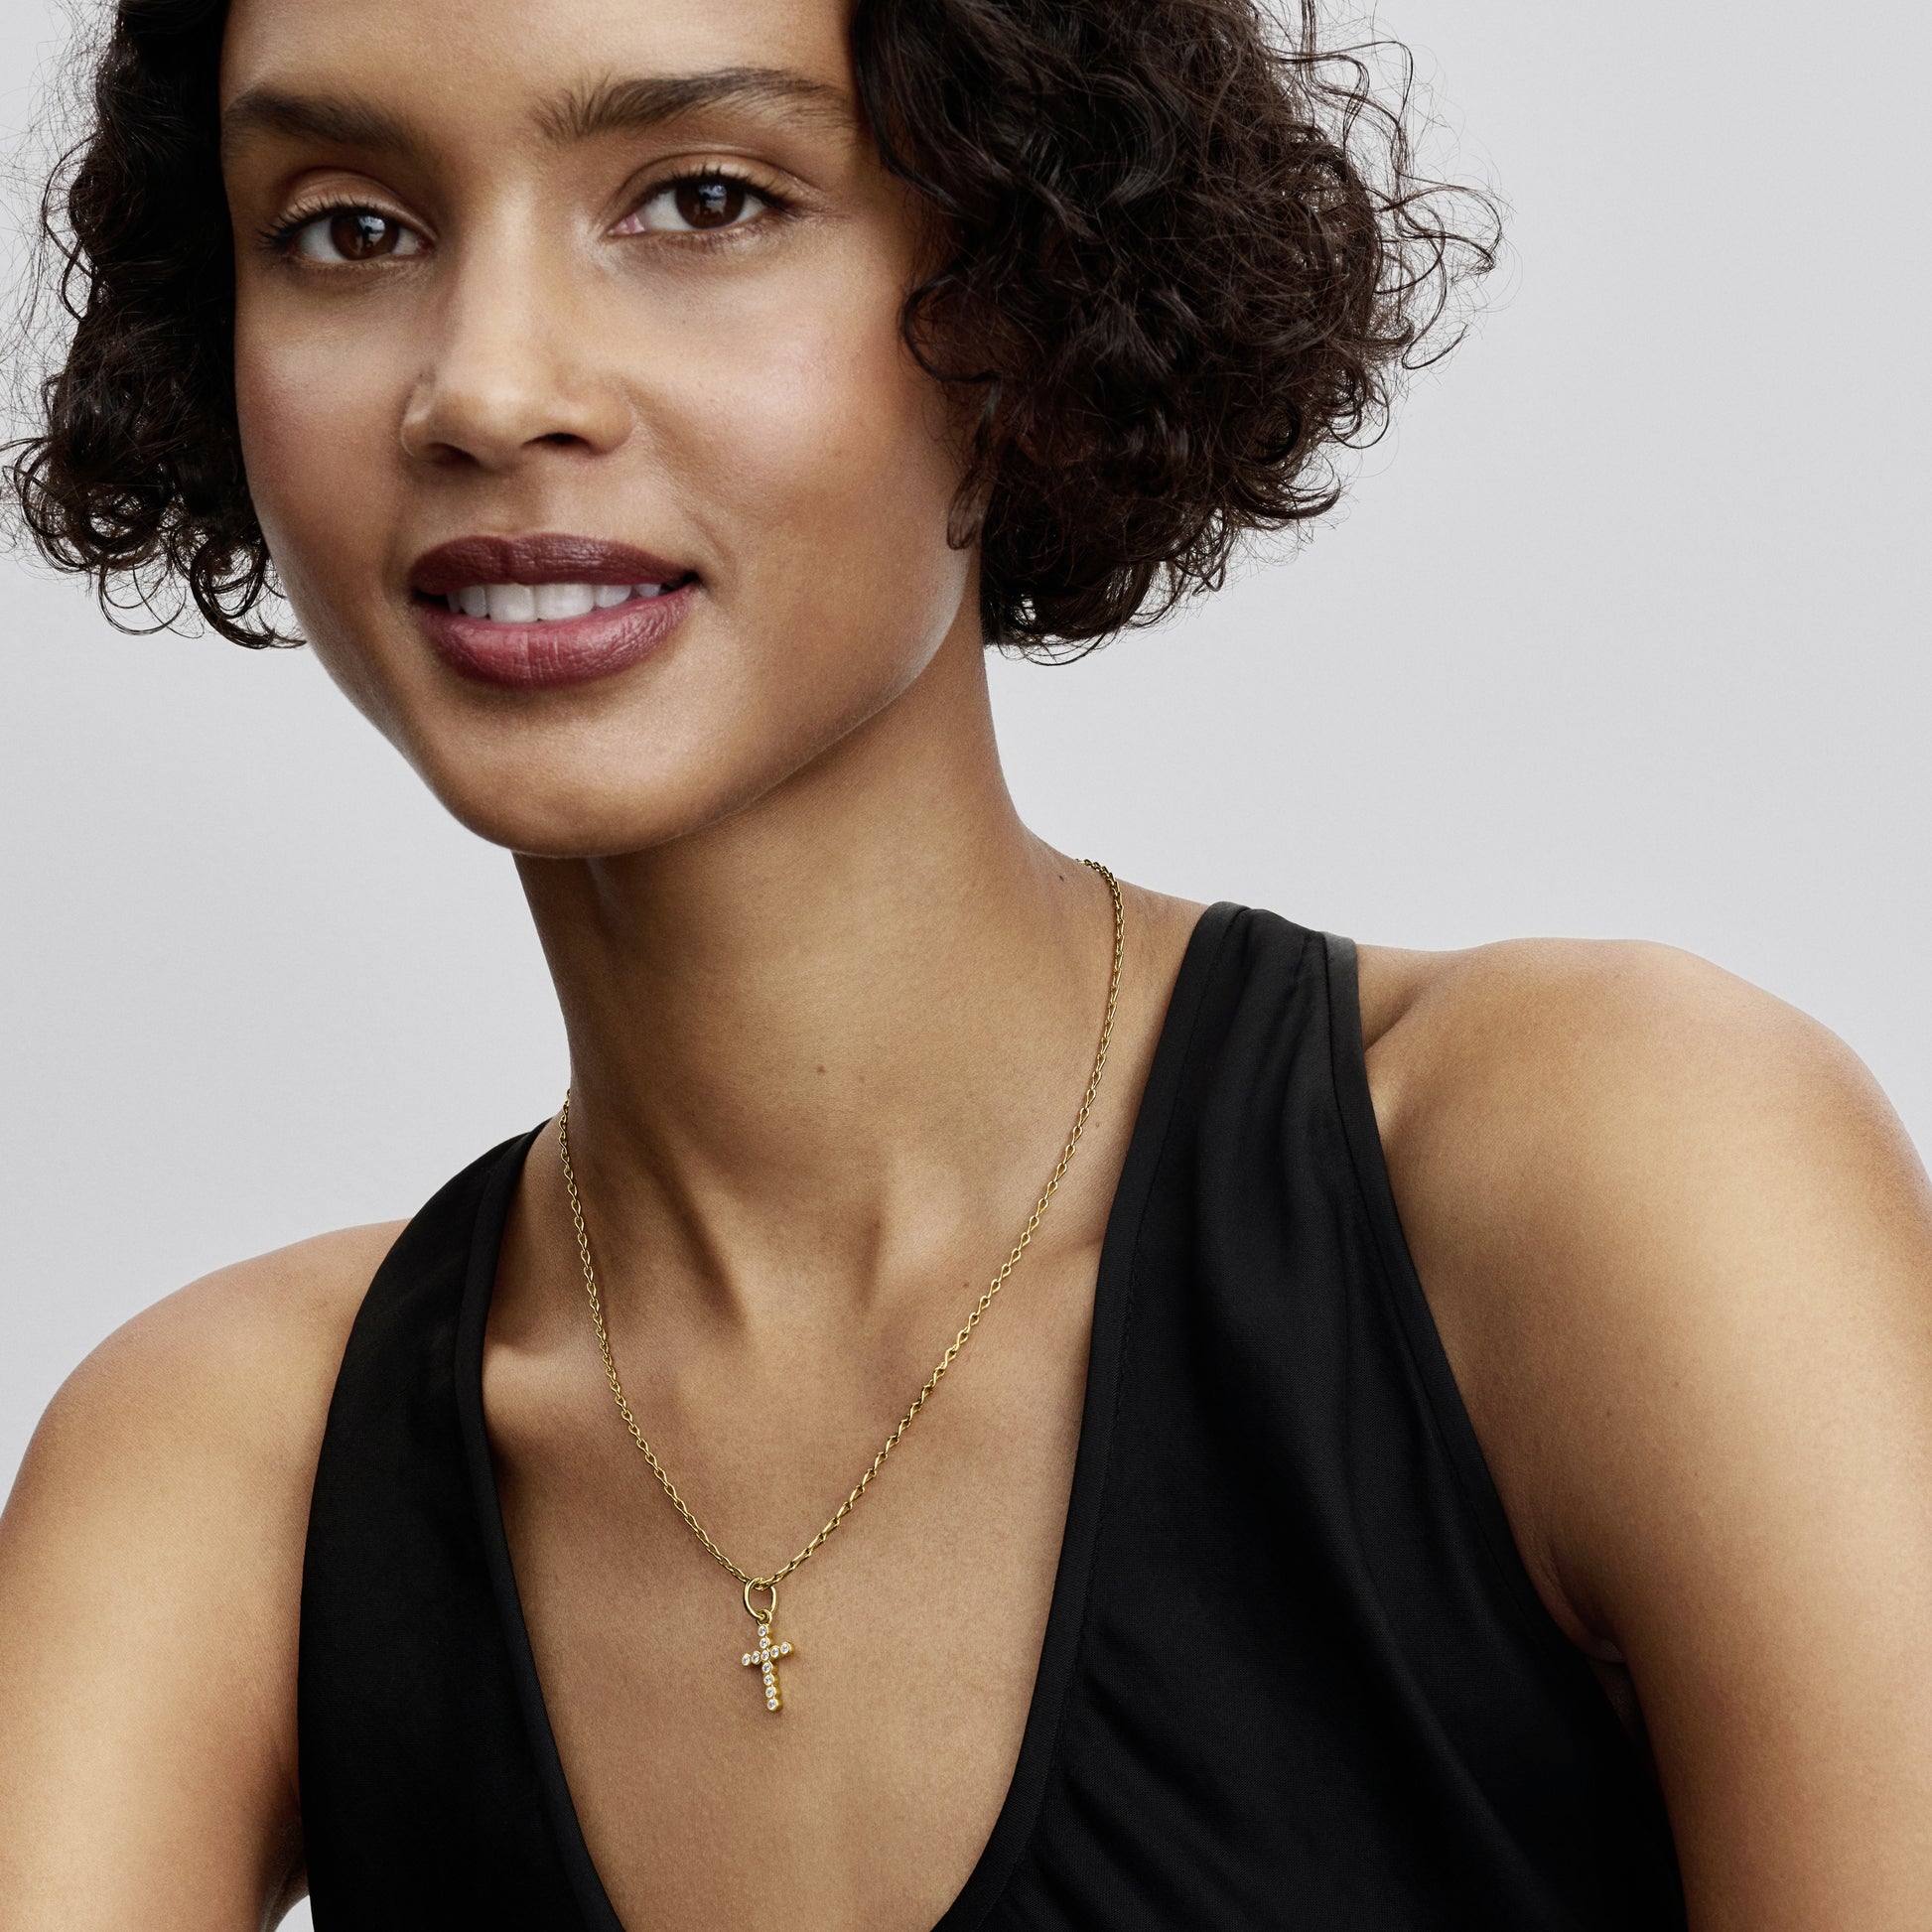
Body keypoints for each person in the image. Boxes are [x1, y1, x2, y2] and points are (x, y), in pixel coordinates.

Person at [2, 0, 1928, 1926]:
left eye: (702, 199)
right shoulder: (232, 1473)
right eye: (347, 228)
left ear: (1030, 275)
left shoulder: (1615, 1184)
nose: (487, 388)